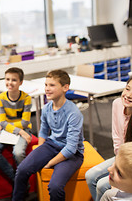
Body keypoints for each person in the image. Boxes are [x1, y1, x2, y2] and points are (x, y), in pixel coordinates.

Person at [12, 69, 84, 201]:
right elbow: (44, 132)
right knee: (22, 170)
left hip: (72, 154)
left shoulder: (74, 113)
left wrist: (49, 163)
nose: (47, 89)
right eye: (46, 85)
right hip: (52, 145)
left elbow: (71, 148)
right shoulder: (46, 108)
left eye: (52, 85)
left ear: (65, 88)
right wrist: (40, 150)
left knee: (55, 186)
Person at [85, 75, 132, 201]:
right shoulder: (117, 103)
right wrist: (117, 164)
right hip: (122, 156)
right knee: (90, 176)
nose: (128, 95)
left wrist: (118, 180)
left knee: (102, 185)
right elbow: (116, 137)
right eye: (127, 89)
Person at [0, 67, 32, 183]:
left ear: (21, 82)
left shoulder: (26, 98)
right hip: (18, 130)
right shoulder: (1, 97)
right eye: (7, 79)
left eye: (14, 80)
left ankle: (22, 180)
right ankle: (15, 178)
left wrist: (7, 125)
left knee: (18, 153)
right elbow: (1, 122)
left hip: (23, 128)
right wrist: (19, 131)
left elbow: (25, 123)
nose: (10, 83)